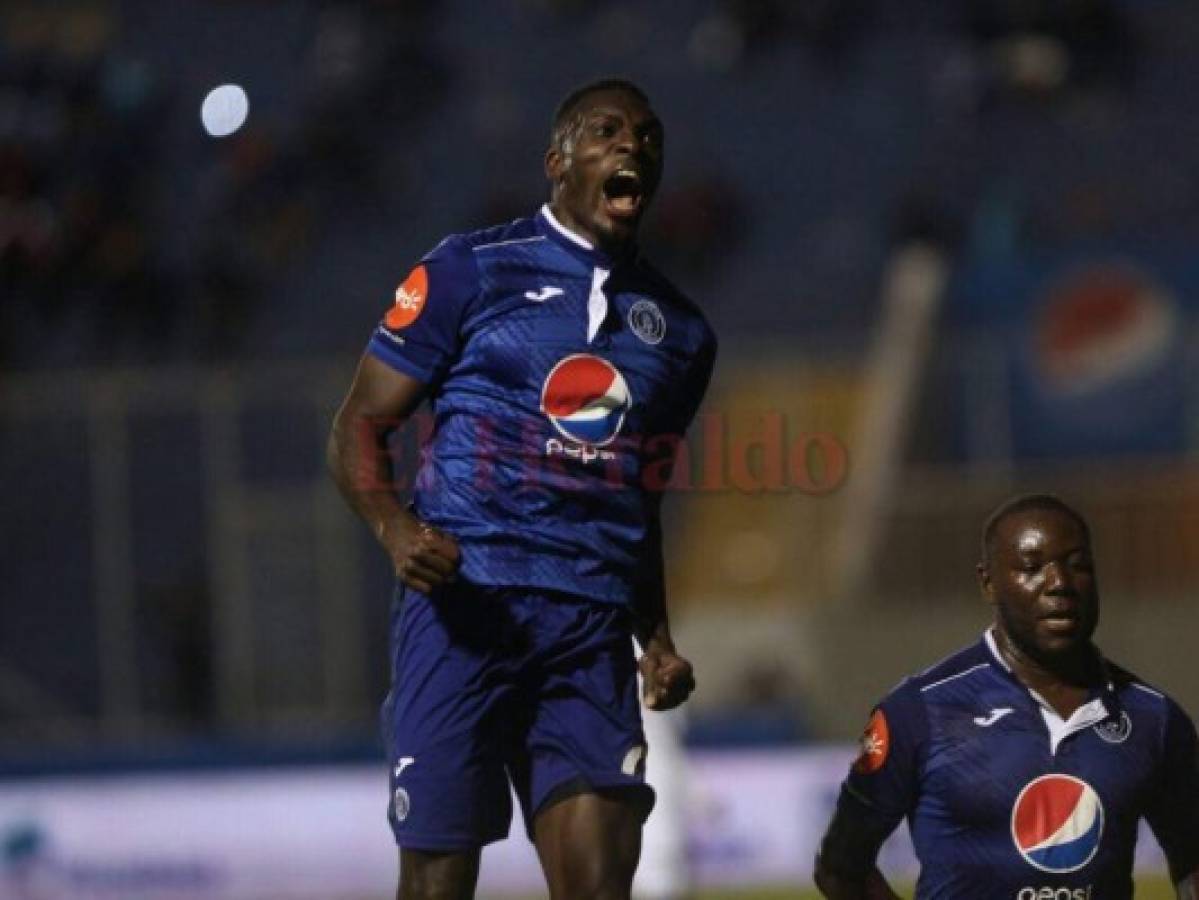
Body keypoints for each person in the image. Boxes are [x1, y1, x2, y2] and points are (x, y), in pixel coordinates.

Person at [327, 77, 716, 900]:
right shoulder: (470, 269)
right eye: (606, 131)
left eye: (647, 137)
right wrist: (395, 529)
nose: (631, 146)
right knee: (438, 880)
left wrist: (656, 637)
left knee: (600, 884)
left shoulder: (679, 332)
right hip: (465, 608)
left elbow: (637, 498)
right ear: (557, 161)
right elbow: (358, 425)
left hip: (586, 630)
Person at [814, 493, 1199, 900]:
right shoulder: (920, 711)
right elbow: (840, 870)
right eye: (1032, 568)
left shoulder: (1155, 720)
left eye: (1078, 565)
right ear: (989, 583)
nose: (1060, 584)